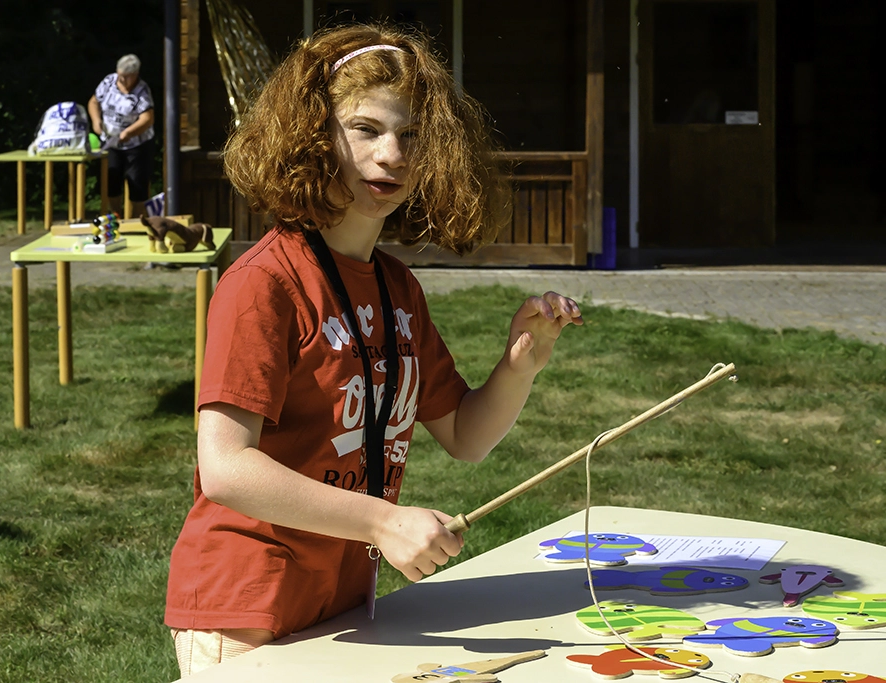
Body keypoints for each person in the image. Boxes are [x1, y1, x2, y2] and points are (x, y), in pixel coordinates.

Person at [164, 22, 583, 677]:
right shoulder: (264, 282)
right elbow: (225, 468)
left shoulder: (397, 290)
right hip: (247, 611)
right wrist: (383, 523)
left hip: (344, 606)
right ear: (313, 138)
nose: (392, 153)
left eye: (410, 136)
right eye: (366, 129)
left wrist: (518, 366)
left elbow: (465, 435)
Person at [87, 53, 155, 218]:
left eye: (126, 77)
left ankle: (137, 219)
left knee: (137, 182)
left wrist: (129, 132)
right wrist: (96, 121)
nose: (122, 80)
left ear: (135, 75)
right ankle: (116, 216)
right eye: (120, 76)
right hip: (111, 141)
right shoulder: (109, 81)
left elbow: (147, 118)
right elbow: (94, 102)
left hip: (136, 143)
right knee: (112, 179)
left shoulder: (142, 91)